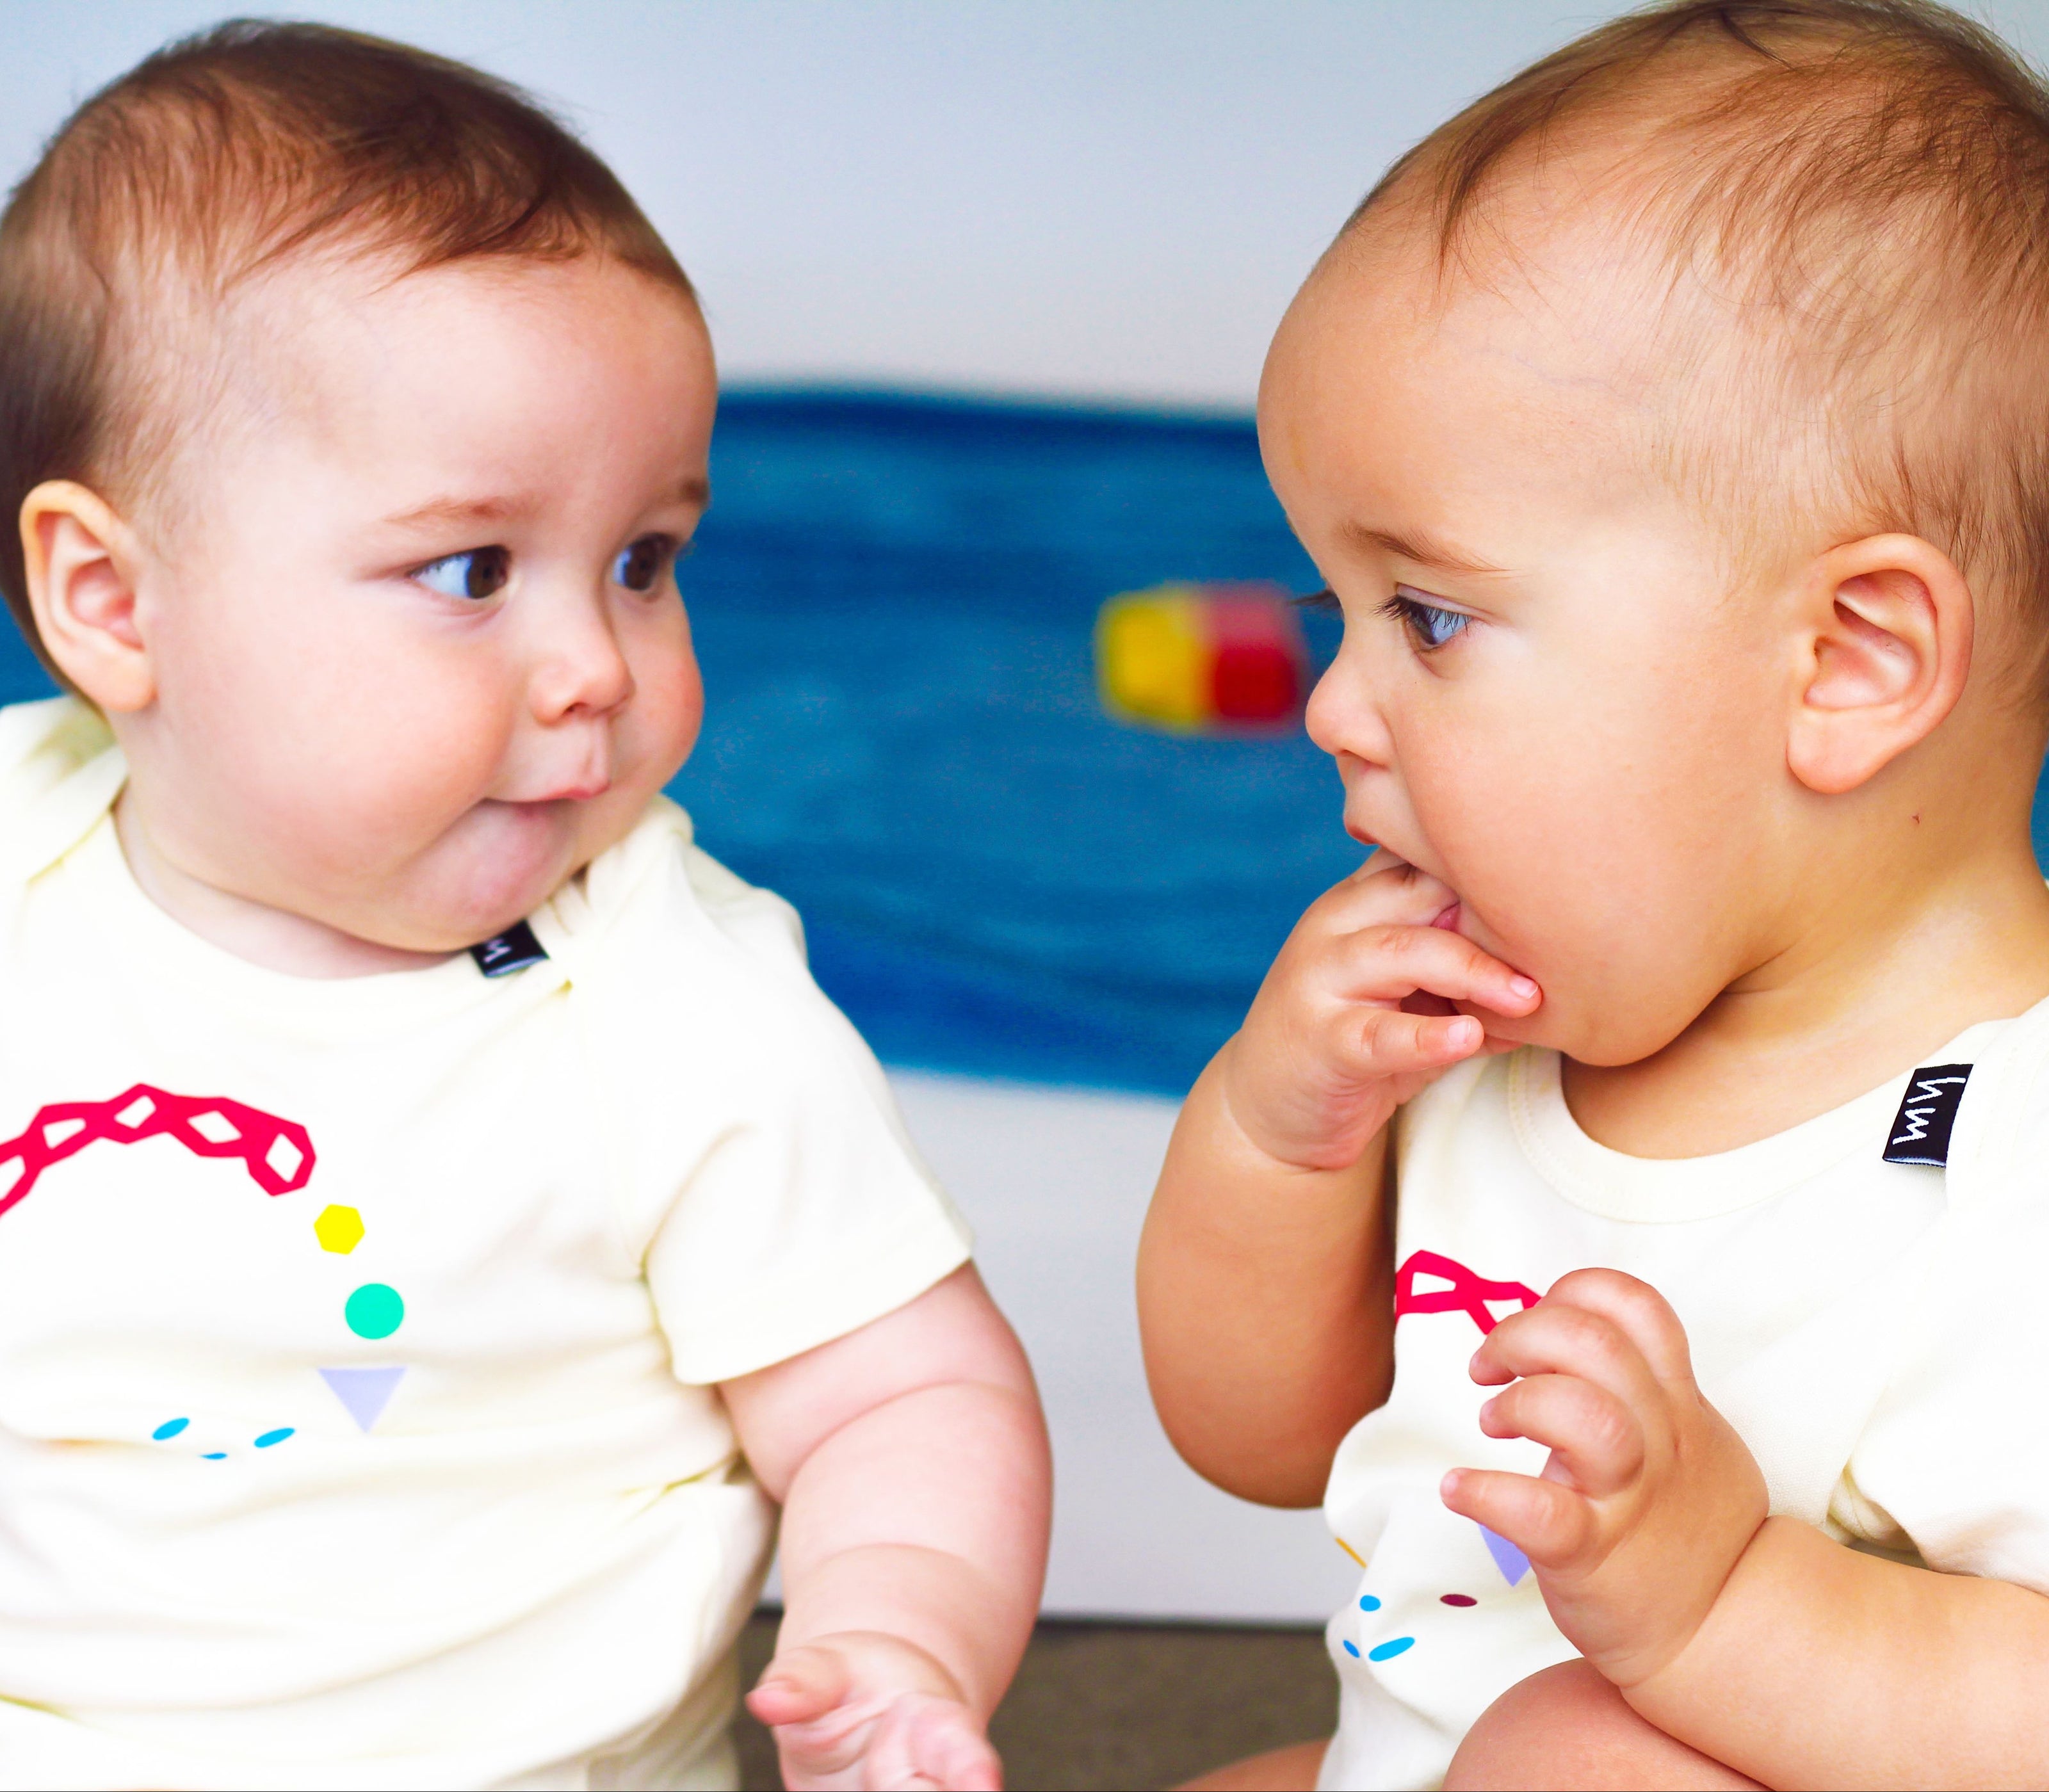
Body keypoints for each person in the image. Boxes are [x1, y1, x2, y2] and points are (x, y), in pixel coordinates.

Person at [0, 22, 1049, 1791]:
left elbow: (904, 1395)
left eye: (645, 560)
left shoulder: (671, 997)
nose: (594, 667)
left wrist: (899, 1635)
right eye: (472, 571)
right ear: (112, 602)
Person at [1138, 1, 2049, 1786]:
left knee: (1590, 1750)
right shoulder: (1498, 1031)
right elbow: (1261, 1440)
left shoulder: (2009, 1175)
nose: (1330, 707)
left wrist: (1721, 1610)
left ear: (1849, 660)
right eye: (1336, 615)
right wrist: (1280, 1139)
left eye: (1434, 617)